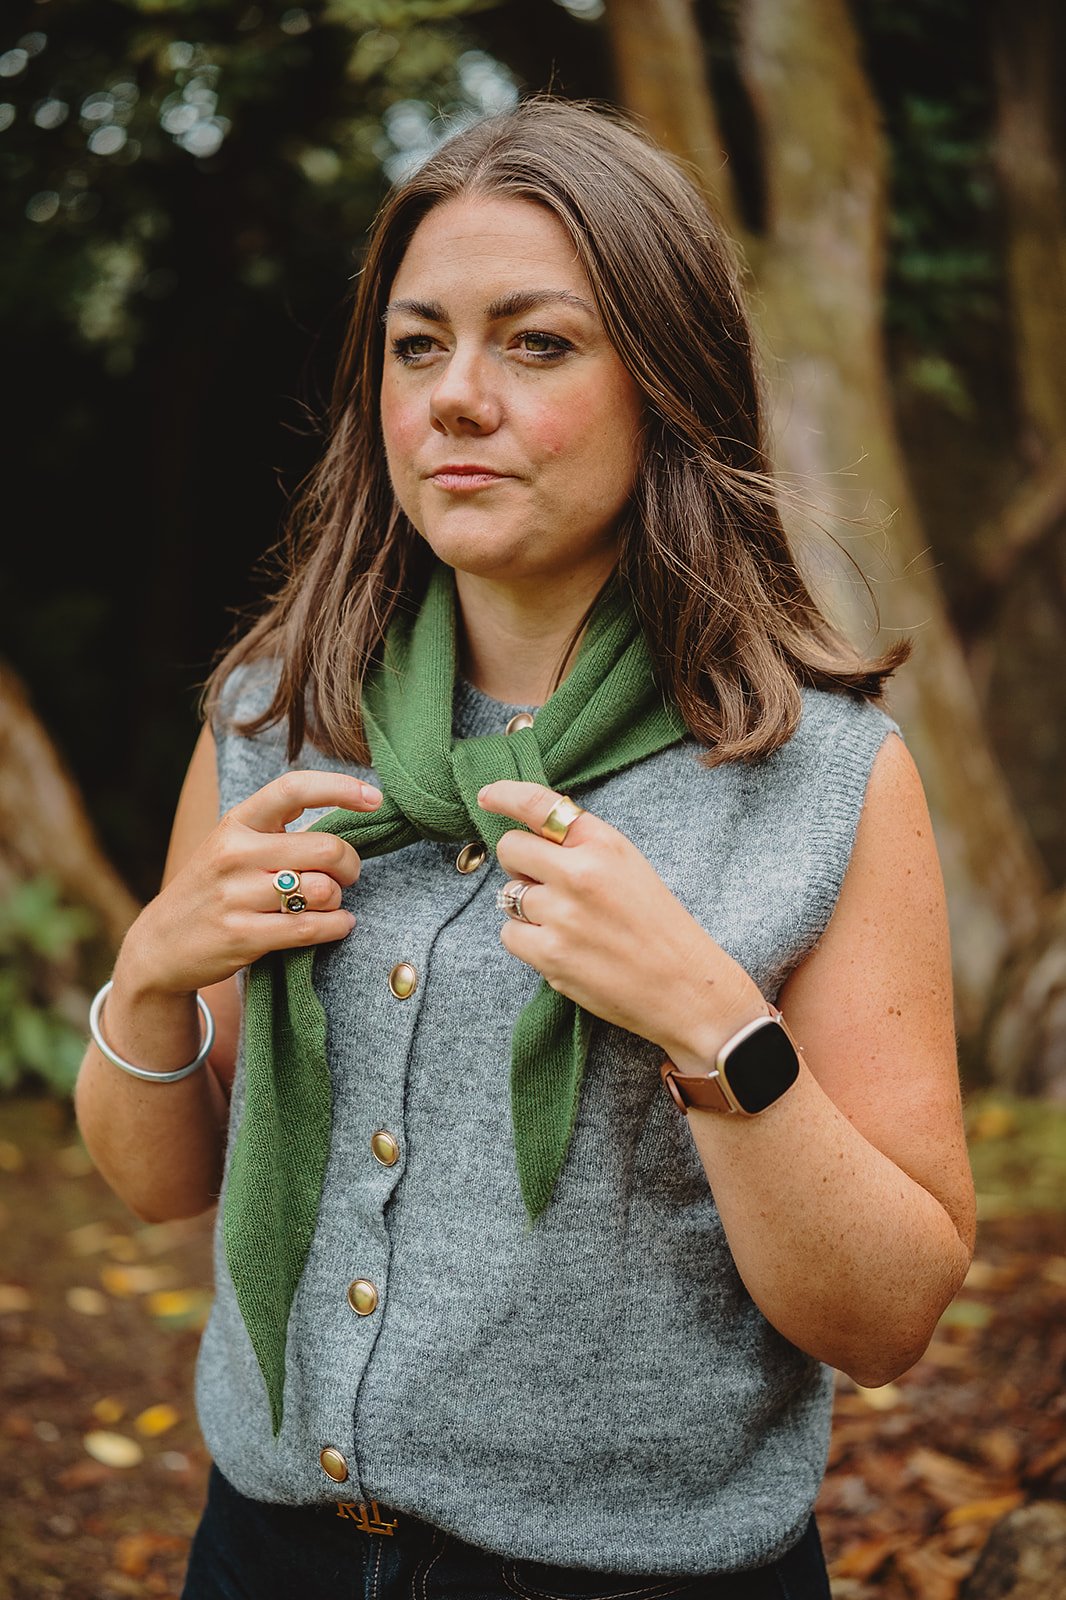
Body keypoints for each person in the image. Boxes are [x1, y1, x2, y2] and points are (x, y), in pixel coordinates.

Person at [75, 97, 976, 1600]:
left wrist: (708, 1020)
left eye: (536, 343)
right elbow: (164, 1183)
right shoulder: (275, 720)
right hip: (263, 1553)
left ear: (667, 384)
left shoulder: (823, 780)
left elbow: (887, 1322)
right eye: (416, 345)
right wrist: (152, 976)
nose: (455, 398)